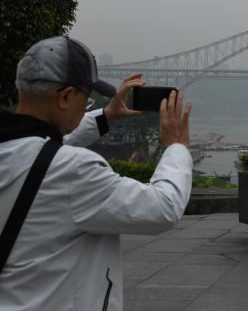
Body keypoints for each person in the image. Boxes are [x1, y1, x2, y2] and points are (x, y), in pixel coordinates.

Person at [0, 36, 193, 310]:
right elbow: (163, 208)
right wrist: (176, 145)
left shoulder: (14, 151)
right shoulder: (74, 171)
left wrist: (105, 116)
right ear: (66, 97)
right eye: (86, 97)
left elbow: (40, 153)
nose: (87, 104)